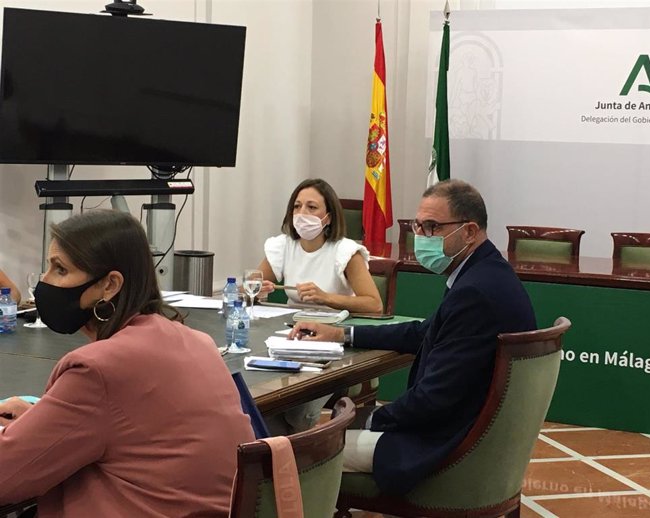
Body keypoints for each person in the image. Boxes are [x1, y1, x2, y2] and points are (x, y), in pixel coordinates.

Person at [289, 179, 537, 495]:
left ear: (469, 232)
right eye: (418, 226)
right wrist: (341, 333)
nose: (421, 238)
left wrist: (370, 420)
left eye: (432, 227)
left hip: (443, 445)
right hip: (472, 433)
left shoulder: (475, 292)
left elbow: (433, 400)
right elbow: (423, 332)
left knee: (295, 455)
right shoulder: (486, 271)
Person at [0, 211, 255, 517]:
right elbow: (134, 432)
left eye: (60, 269)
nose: (45, 281)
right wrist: (41, 423)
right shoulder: (197, 341)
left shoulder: (97, 370)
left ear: (109, 285)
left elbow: (6, 477)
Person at [258, 178, 382, 314]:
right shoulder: (282, 246)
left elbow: (374, 305)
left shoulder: (346, 252)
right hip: (292, 326)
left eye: (311, 207)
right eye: (297, 206)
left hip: (334, 328)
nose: (302, 213)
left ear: (328, 217)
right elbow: (245, 288)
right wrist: (254, 290)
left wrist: (326, 297)